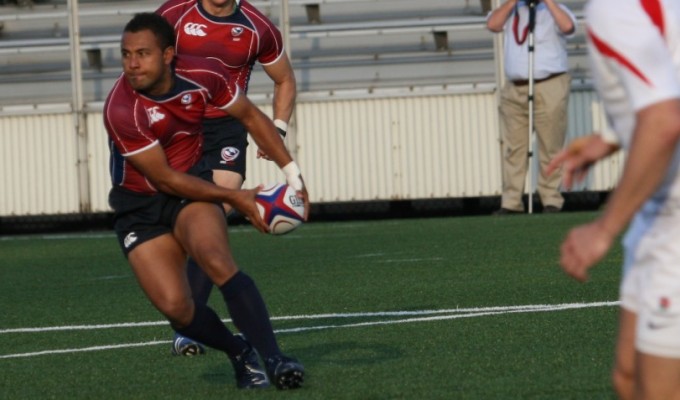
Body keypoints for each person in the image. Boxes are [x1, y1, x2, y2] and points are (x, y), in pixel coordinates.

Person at [104, 12, 307, 390]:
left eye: (142, 53)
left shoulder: (205, 75)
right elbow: (165, 178)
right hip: (141, 207)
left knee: (216, 260)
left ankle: (276, 358)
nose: (132, 64)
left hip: (191, 193)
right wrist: (238, 197)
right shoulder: (122, 108)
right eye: (126, 54)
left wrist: (293, 174)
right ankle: (239, 351)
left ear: (168, 54)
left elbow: (250, 116)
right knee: (177, 309)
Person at [546, 1, 680, 398]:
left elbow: (664, 120)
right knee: (628, 378)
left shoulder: (613, 9)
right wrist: (611, 137)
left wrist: (603, 229)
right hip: (659, 214)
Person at [155, 0, 297, 355]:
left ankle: (187, 328)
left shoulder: (257, 27)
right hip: (179, 124)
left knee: (213, 215)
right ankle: (188, 317)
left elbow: (284, 79)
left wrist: (276, 130)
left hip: (227, 127)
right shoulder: (174, 14)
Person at [486, 0, 576, 214]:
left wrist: (548, 2)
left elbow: (568, 27)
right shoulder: (510, 11)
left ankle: (550, 199)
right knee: (513, 147)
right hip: (516, 87)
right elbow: (493, 25)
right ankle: (511, 201)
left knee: (550, 144)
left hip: (549, 84)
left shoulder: (557, 10)